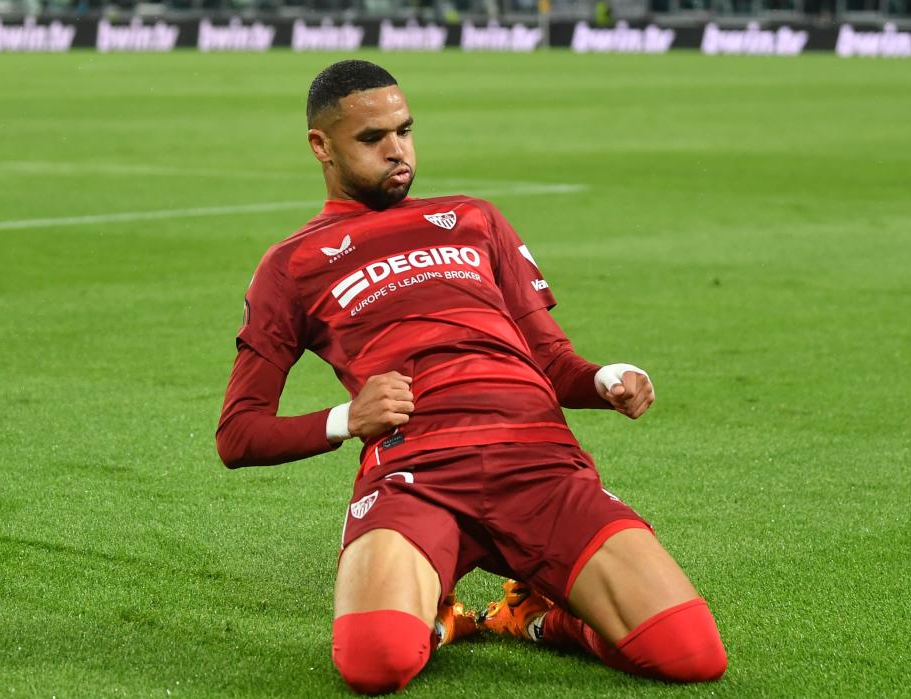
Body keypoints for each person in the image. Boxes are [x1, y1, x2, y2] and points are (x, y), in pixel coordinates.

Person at [216, 59, 727, 695]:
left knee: (691, 655)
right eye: (373, 140)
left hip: (539, 464)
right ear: (321, 146)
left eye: (405, 131)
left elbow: (553, 361)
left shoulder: (473, 218)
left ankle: (542, 616)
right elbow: (238, 435)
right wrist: (346, 419)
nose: (397, 151)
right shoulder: (291, 265)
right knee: (375, 665)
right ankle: (438, 617)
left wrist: (605, 378)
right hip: (417, 477)